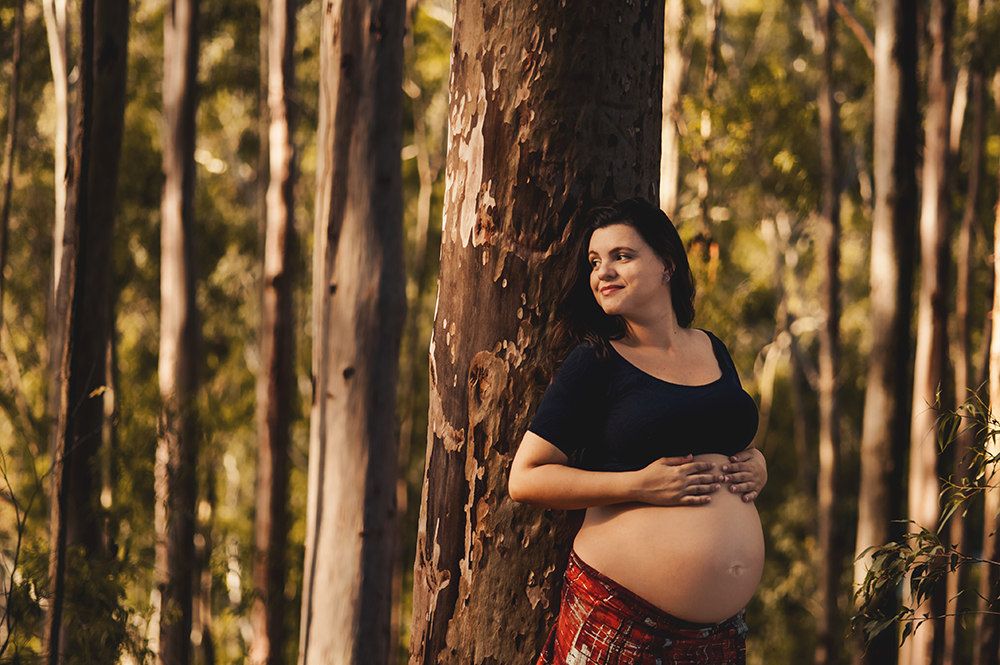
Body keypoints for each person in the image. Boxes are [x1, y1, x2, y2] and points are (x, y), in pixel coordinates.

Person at [508, 197, 768, 665]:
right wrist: (640, 485)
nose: (602, 272)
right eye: (594, 262)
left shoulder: (712, 348)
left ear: (667, 263)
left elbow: (730, 440)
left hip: (717, 635)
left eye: (621, 256)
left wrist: (758, 464)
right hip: (620, 619)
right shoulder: (596, 362)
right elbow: (526, 478)